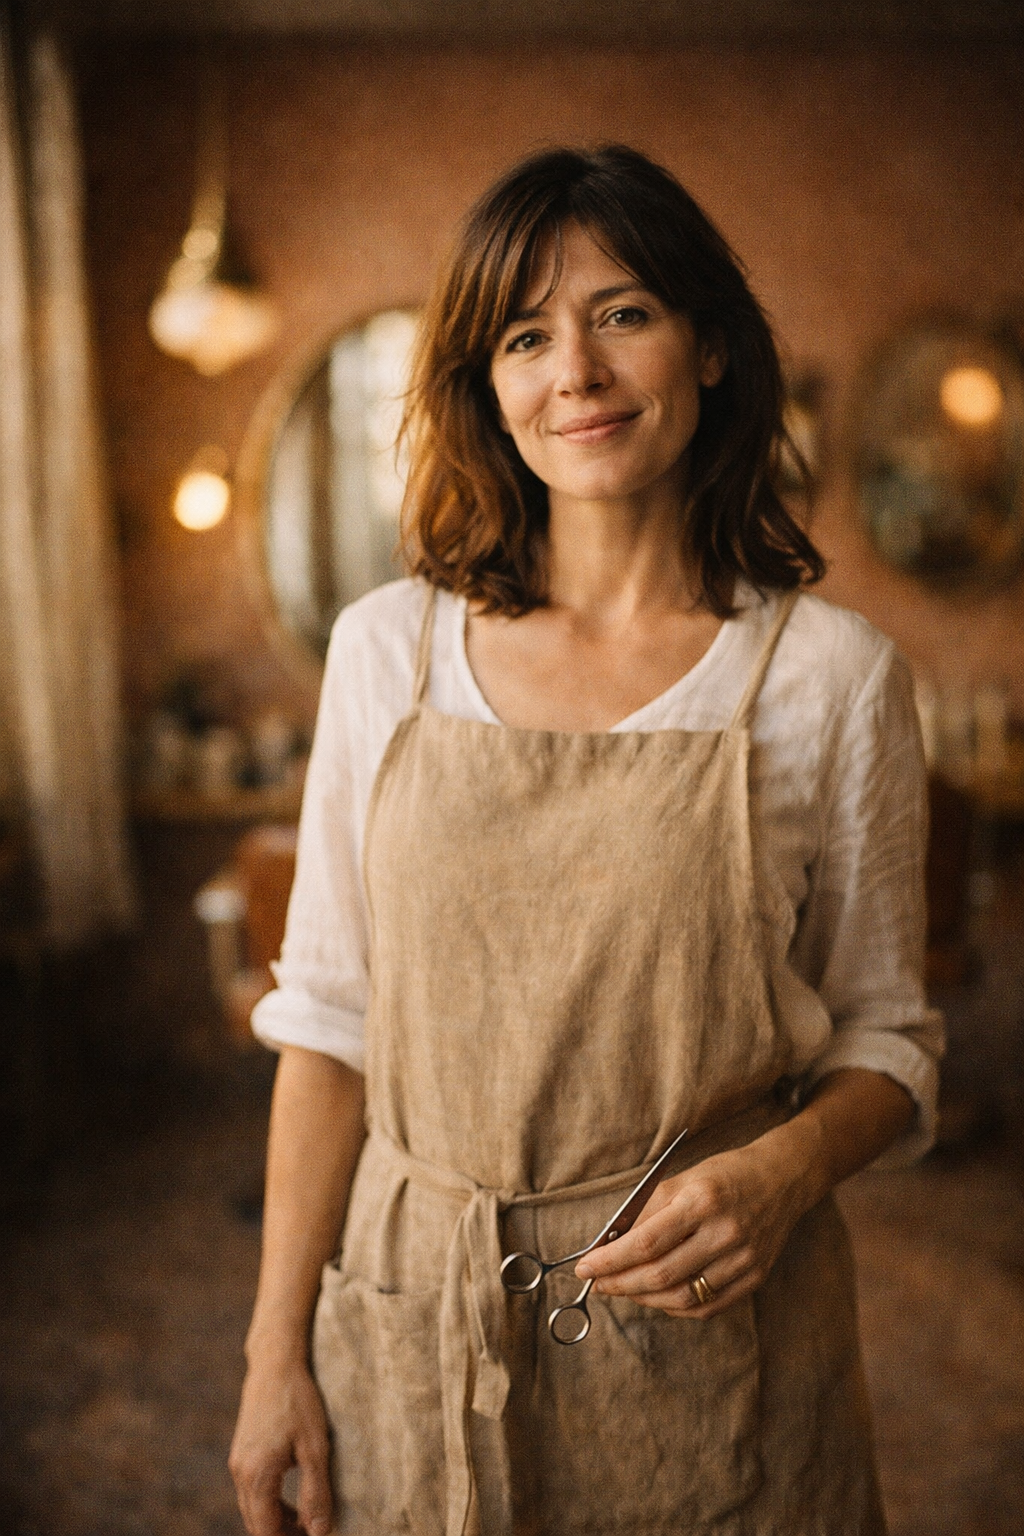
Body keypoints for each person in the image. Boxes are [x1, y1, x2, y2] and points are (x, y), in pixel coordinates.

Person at [230, 145, 943, 1536]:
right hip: (413, 1316)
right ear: (485, 385)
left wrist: (788, 1168)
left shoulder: (828, 677)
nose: (577, 372)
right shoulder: (392, 651)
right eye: (524, 333)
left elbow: (891, 1040)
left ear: (714, 347)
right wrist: (272, 1358)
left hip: (721, 1344)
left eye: (623, 314)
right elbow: (325, 1027)